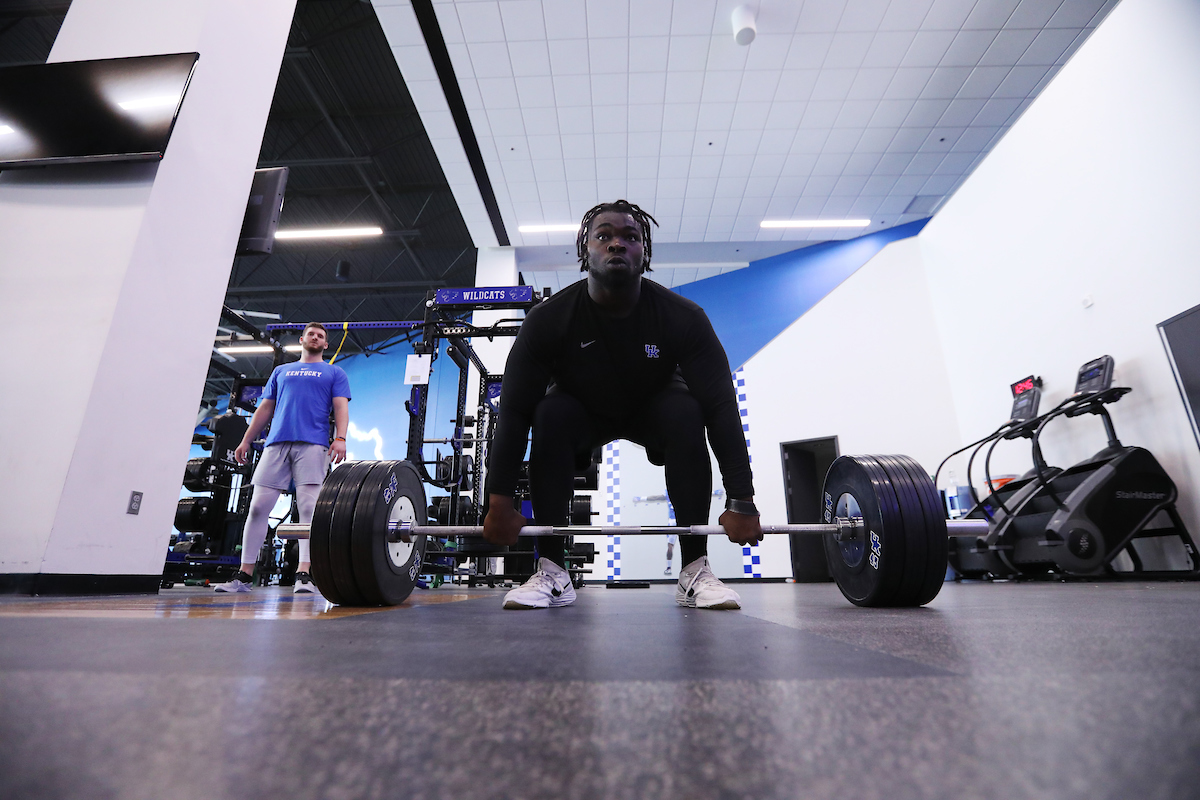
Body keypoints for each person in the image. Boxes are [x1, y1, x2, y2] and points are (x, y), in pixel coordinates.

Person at [483, 200, 762, 610]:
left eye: (630, 237)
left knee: (687, 411)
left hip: (656, 408)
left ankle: (694, 570)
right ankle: (552, 571)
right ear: (586, 250)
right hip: (579, 412)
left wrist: (741, 499)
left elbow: (721, 407)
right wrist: (500, 502)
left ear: (644, 253)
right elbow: (514, 413)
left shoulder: (683, 317)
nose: (617, 244)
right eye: (604, 236)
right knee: (548, 413)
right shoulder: (547, 320)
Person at [214, 322, 350, 594]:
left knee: (309, 509)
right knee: (257, 508)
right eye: (311, 334)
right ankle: (244, 575)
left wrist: (341, 438)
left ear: (326, 344)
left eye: (320, 336)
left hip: (313, 444)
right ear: (301, 339)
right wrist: (246, 440)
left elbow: (340, 407)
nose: (315, 338)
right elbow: (265, 408)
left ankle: (304, 574)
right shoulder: (281, 371)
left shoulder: (335, 372)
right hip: (276, 444)